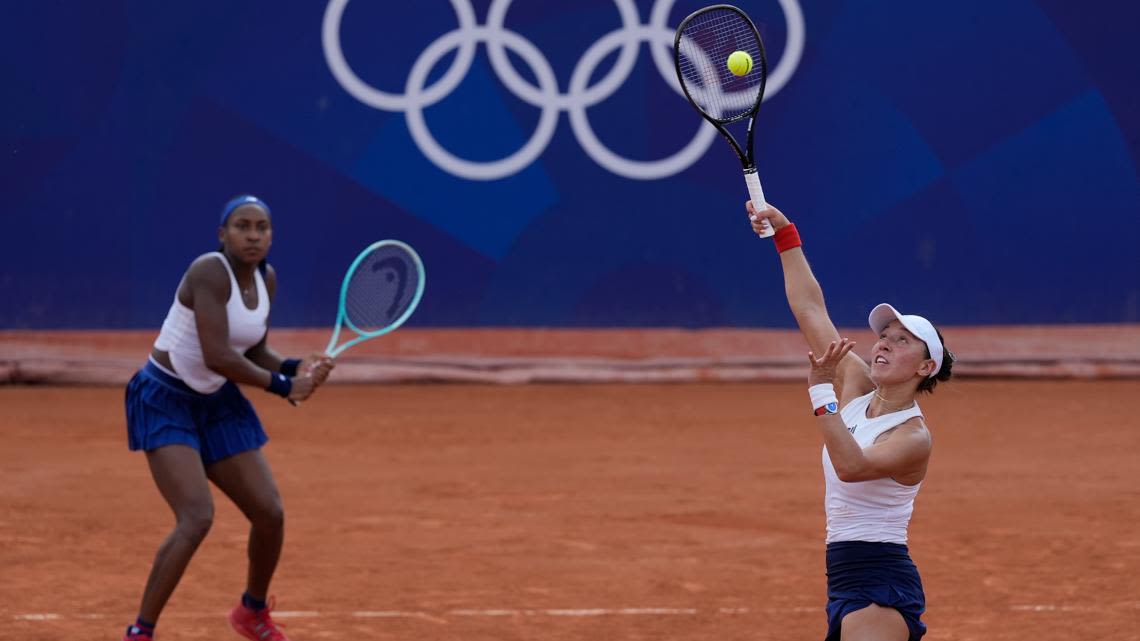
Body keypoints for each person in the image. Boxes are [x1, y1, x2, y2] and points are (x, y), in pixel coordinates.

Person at [122, 195, 334, 641]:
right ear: (223, 234)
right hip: (166, 398)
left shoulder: (266, 278)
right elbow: (218, 354)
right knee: (196, 515)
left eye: (262, 227)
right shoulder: (208, 272)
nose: (254, 235)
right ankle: (141, 631)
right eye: (242, 226)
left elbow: (252, 348)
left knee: (269, 512)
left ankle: (251, 613)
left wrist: (296, 367)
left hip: (217, 403)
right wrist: (281, 387)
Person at [747, 201, 954, 641]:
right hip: (843, 575)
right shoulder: (858, 385)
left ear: (924, 369)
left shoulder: (913, 436)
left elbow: (852, 466)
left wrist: (822, 390)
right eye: (883, 336)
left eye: (902, 342)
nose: (883, 344)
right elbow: (810, 309)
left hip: (880, 583)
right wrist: (785, 235)